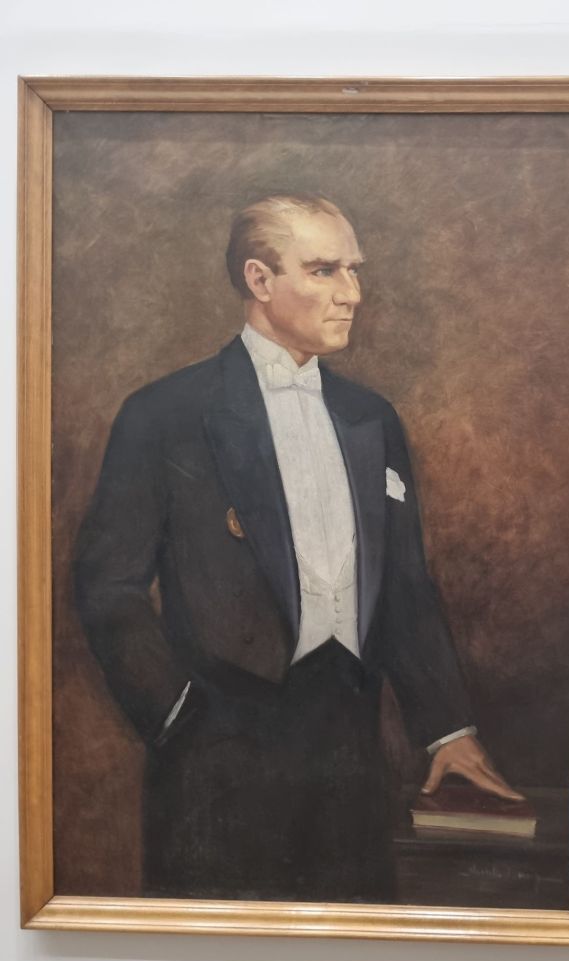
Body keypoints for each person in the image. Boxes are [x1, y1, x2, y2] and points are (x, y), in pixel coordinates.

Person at [74, 194, 521, 904]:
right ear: (259, 279)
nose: (352, 293)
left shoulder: (371, 418)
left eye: (354, 270)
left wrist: (447, 731)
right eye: (324, 270)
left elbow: (404, 587)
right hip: (214, 759)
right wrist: (175, 715)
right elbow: (108, 587)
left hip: (352, 754)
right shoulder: (164, 414)